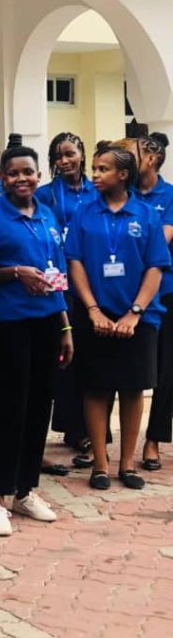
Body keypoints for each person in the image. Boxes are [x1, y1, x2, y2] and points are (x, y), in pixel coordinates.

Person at [0, 146, 73, 537]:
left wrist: (65, 327)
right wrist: (16, 273)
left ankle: (26, 491)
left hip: (47, 321)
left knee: (39, 407)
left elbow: (57, 273)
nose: (21, 179)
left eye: (28, 172)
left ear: (38, 175)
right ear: (1, 178)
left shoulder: (47, 214)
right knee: (8, 410)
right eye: (13, 173)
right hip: (7, 324)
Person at [66, 142, 170, 492]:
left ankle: (126, 463)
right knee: (96, 388)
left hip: (137, 317)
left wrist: (134, 313)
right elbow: (75, 262)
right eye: (94, 169)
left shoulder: (146, 215)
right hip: (95, 314)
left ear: (123, 175)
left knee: (132, 388)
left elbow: (156, 266)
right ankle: (100, 463)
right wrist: (93, 309)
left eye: (103, 169)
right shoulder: (84, 212)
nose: (95, 175)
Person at [37, 132, 100, 463]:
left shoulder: (97, 191)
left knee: (90, 357)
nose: (64, 161)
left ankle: (89, 429)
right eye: (58, 156)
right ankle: (75, 428)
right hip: (61, 285)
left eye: (70, 154)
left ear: (82, 154)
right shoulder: (45, 195)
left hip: (94, 281)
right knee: (65, 359)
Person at [130, 134, 173, 471]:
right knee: (128, 367)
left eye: (134, 154)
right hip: (125, 292)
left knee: (165, 368)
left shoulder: (169, 195)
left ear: (152, 158)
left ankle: (154, 439)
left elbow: (162, 239)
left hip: (165, 290)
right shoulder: (122, 192)